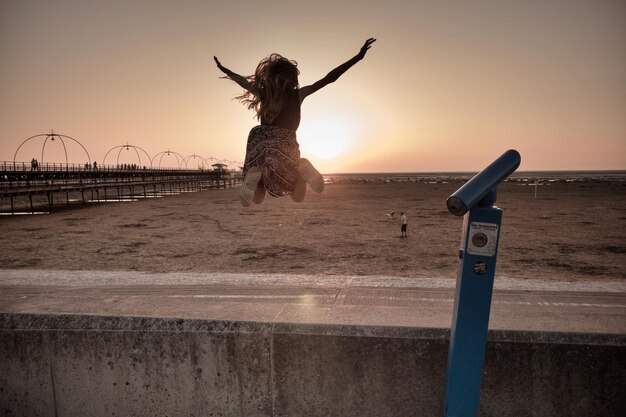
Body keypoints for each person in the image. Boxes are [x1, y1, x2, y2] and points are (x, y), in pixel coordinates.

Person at [215, 38, 376, 206]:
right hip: (286, 144)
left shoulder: (264, 93)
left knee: (257, 198)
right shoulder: (298, 95)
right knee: (297, 196)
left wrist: (224, 70)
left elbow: (243, 81)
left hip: (261, 143)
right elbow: (329, 78)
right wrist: (358, 57)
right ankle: (301, 169)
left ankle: (257, 177)